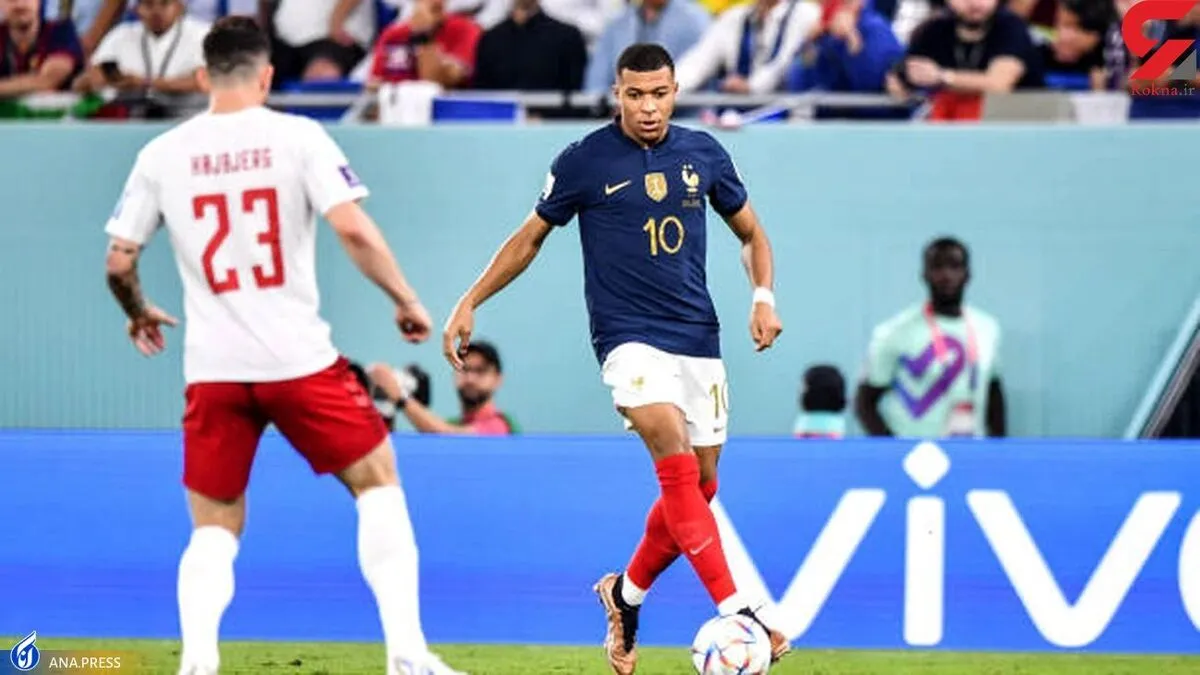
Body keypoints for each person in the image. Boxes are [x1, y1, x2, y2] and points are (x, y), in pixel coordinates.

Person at [101, 16, 464, 675]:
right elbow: (353, 228)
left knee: (214, 526)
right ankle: (408, 655)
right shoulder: (298, 137)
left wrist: (137, 311)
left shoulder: (161, 154)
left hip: (212, 369)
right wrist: (406, 299)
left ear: (203, 76)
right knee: (378, 481)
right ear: (267, 76)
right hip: (298, 360)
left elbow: (119, 262)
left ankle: (198, 663)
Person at [440, 42, 787, 675]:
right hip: (626, 336)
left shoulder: (705, 154)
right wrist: (471, 299)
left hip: (698, 336)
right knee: (673, 461)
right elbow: (529, 239)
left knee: (702, 487)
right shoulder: (584, 160)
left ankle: (625, 595)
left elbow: (752, 235)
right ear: (617, 95)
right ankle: (739, 608)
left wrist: (762, 297)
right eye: (635, 95)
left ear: (675, 92)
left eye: (659, 94)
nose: (648, 107)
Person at [854, 237, 1006, 439]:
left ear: (968, 274)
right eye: (937, 267)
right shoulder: (894, 332)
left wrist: (998, 449)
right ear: (924, 274)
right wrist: (892, 448)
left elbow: (994, 394)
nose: (946, 275)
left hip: (971, 449)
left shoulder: (987, 328)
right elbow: (865, 403)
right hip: (914, 451)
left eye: (954, 266)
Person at [369, 340, 518, 435]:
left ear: (498, 379)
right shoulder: (452, 423)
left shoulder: (502, 426)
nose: (470, 378)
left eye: (481, 371)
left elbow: (447, 438)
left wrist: (399, 396)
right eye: (464, 369)